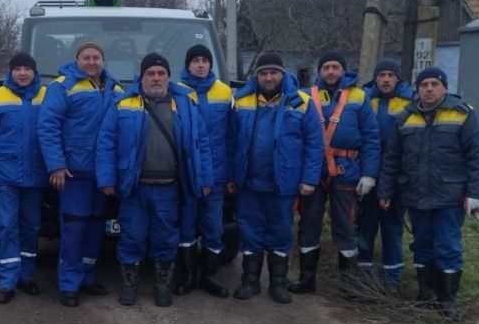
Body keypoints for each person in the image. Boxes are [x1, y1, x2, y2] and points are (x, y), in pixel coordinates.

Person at [98, 53, 212, 307]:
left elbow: (202, 144)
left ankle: (162, 287)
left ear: (169, 77)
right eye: (150, 73)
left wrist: (205, 179)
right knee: (131, 237)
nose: (156, 78)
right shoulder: (123, 103)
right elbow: (106, 143)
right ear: (142, 77)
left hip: (169, 189)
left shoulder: (186, 104)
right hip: (134, 188)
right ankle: (129, 286)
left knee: (166, 238)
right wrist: (106, 179)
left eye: (161, 73)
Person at [378, 67, 479, 322]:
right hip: (416, 194)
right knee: (422, 244)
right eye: (424, 85)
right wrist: (386, 190)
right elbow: (392, 158)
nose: (429, 89)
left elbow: (476, 156)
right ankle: (426, 294)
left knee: (447, 245)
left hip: (450, 195)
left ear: (444, 87)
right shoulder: (406, 117)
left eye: (435, 84)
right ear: (418, 89)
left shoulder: (463, 114)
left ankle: (447, 300)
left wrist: (476, 193)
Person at [229, 53, 322, 303]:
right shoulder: (241, 100)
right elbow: (231, 141)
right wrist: (232, 176)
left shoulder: (301, 101)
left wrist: (309, 179)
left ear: (283, 74)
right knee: (249, 231)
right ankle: (250, 281)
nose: (268, 77)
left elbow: (314, 144)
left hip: (284, 183)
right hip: (249, 182)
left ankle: (278, 283)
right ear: (256, 76)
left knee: (280, 232)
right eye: (263, 73)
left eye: (273, 73)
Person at [38, 40, 123, 307]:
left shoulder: (115, 87)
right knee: (74, 230)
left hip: (104, 172)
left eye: (96, 57)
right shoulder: (62, 86)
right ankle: (69, 284)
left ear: (103, 60)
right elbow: (48, 127)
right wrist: (56, 165)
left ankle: (87, 277)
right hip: (73, 173)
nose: (91, 62)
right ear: (77, 60)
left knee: (95, 228)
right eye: (86, 57)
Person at [289, 51, 380, 298]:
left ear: (343, 70)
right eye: (326, 67)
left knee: (346, 226)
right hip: (313, 171)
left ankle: (349, 285)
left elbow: (371, 138)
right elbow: (294, 133)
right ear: (319, 71)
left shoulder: (359, 97)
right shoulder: (305, 95)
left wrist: (369, 174)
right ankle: (307, 279)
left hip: (346, 170)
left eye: (335, 67)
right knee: (308, 224)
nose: (331, 71)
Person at [0, 52, 49, 304]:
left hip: (37, 175)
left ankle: (25, 276)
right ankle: (6, 281)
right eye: (18, 69)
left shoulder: (48, 95)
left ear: (34, 71)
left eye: (27, 68)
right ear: (11, 71)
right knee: (6, 226)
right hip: (7, 175)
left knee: (31, 227)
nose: (23, 73)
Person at [174, 44, 232, 297]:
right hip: (186, 173)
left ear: (210, 64)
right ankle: (187, 277)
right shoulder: (177, 90)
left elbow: (232, 135)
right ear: (187, 65)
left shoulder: (224, 91)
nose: (200, 65)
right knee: (186, 225)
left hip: (216, 174)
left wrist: (231, 174)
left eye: (204, 60)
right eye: (195, 60)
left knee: (213, 227)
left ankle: (209, 276)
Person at [357, 59, 414, 294]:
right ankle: (362, 277)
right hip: (366, 174)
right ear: (375, 78)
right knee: (364, 226)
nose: (386, 79)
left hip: (396, 177)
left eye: (391, 75)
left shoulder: (411, 101)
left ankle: (391, 280)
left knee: (392, 228)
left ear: (398, 79)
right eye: (382, 75)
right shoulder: (364, 99)